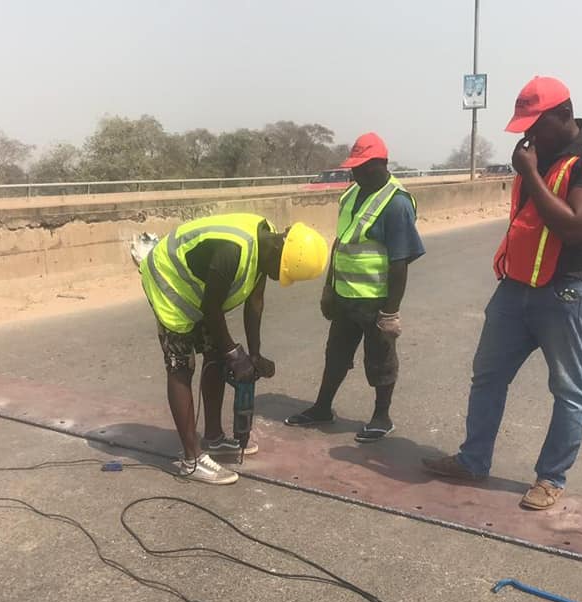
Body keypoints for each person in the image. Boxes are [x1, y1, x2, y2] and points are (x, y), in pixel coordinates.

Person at [423, 77, 582, 510]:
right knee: (488, 375)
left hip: (569, 290)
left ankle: (550, 478)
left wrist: (531, 174)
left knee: (568, 388)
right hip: (516, 288)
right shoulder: (537, 151)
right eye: (525, 127)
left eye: (537, 125)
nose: (529, 135)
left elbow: (573, 225)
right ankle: (472, 460)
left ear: (565, 116)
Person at [141, 214, 328, 485]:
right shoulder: (233, 250)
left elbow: (255, 301)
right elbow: (211, 308)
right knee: (180, 365)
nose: (278, 277)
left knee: (216, 353)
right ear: (279, 248)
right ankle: (192, 460)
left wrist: (253, 354)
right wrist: (233, 353)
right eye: (281, 271)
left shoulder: (269, 240)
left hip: (201, 290)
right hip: (169, 281)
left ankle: (214, 438)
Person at [285, 133, 424, 442]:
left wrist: (391, 311)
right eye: (353, 167)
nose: (354, 173)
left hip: (376, 301)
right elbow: (341, 244)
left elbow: (399, 261)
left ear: (380, 165)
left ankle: (381, 416)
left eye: (361, 167)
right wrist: (329, 289)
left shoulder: (396, 204)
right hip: (345, 297)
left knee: (380, 360)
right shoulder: (351, 195)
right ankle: (322, 407)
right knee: (335, 355)